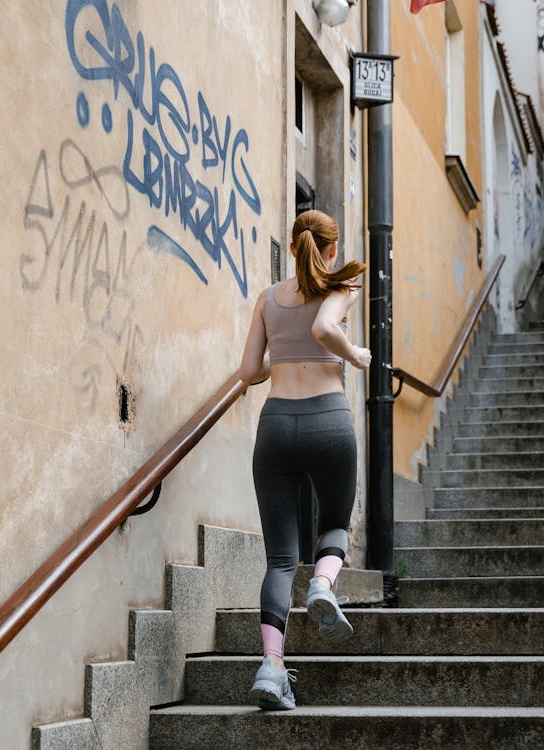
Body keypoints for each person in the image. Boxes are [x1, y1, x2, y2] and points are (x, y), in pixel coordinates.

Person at [237, 209, 371, 711]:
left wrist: (284, 352)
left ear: (295, 247)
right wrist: (354, 354)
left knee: (278, 558)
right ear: (330, 249)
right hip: (328, 421)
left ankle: (271, 669)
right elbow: (322, 325)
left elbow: (249, 370)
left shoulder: (268, 299)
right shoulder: (344, 286)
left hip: (275, 428)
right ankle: (322, 583)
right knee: (335, 523)